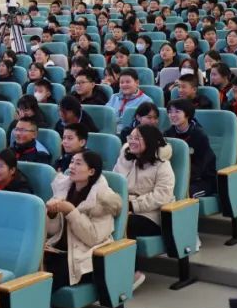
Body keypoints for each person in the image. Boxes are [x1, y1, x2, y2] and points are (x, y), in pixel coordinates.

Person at [44, 150, 121, 289]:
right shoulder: (63, 188)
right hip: (59, 249)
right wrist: (51, 215)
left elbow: (93, 238)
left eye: (78, 163)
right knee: (32, 265)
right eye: (72, 162)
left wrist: (71, 212)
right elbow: (52, 232)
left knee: (47, 277)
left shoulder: (103, 199)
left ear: (91, 171)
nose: (71, 166)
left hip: (84, 255)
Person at [114, 124, 174, 288]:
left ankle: (133, 273)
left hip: (152, 215)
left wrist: (132, 206)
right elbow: (115, 183)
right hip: (124, 208)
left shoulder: (162, 165)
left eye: (137, 138)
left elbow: (162, 196)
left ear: (150, 141)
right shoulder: (125, 156)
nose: (132, 141)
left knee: (125, 225)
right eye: (131, 137)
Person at [164, 99, 217, 198]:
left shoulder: (199, 135)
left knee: (183, 194)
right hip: (176, 177)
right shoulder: (167, 134)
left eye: (177, 112)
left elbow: (201, 166)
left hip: (201, 180)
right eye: (170, 112)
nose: (172, 115)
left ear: (187, 114)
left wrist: (179, 178)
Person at [107, 69, 152, 135]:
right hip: (110, 133)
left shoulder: (146, 101)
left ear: (137, 83)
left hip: (132, 135)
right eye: (121, 82)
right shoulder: (114, 97)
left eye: (128, 82)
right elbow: (105, 117)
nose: (124, 85)